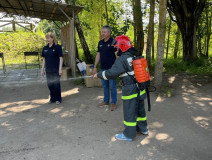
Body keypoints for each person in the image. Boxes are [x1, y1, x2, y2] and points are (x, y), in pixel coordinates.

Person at [93, 35, 149, 141]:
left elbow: (112, 73)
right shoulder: (132, 55)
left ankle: (129, 135)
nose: (116, 50)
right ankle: (143, 129)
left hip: (130, 89)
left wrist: (99, 74)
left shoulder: (122, 59)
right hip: (140, 87)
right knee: (140, 110)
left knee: (129, 111)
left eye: (117, 47)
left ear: (122, 47)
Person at [93, 25, 118, 111]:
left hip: (111, 69)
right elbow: (98, 54)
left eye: (104, 32)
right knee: (105, 86)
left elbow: (117, 55)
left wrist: (116, 67)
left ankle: (114, 103)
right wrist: (95, 66)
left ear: (109, 33)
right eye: (102, 32)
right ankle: (106, 101)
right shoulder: (100, 42)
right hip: (103, 68)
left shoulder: (113, 42)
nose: (102, 33)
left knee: (112, 86)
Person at [41, 32, 63, 105]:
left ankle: (58, 99)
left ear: (53, 38)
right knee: (50, 85)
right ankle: (52, 98)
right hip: (48, 70)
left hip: (56, 70)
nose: (47, 39)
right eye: (46, 38)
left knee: (56, 85)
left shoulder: (57, 47)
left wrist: (60, 69)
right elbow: (44, 59)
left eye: (49, 38)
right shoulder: (45, 48)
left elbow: (61, 58)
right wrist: (42, 69)